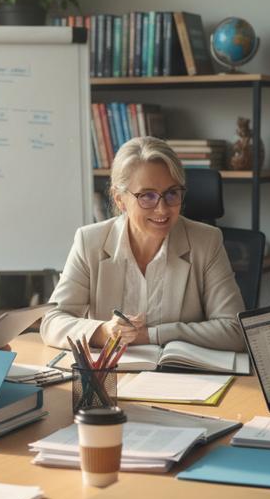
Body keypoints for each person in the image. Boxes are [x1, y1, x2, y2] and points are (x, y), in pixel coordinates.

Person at [41, 136, 245, 351]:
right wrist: (104, 331)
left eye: (172, 194)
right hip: (114, 378)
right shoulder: (90, 242)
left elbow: (235, 330)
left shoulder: (206, 242)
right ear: (120, 199)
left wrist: (151, 335)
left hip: (184, 376)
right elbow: (52, 321)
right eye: (147, 196)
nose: (162, 209)